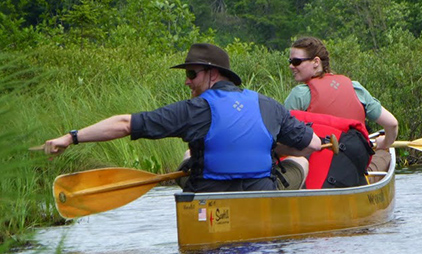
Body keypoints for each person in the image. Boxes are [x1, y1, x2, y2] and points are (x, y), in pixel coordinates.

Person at [44, 43, 322, 193]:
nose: (187, 82)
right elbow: (312, 144)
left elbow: (125, 124)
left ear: (213, 74)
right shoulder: (269, 105)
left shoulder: (194, 111)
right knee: (299, 159)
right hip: (259, 197)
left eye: (192, 74)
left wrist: (72, 137)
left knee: (189, 156)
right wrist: (271, 146)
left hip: (210, 200)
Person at [284, 36, 398, 179]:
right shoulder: (355, 87)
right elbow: (392, 124)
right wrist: (385, 142)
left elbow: (281, 135)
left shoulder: (299, 95)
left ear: (316, 62)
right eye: (290, 62)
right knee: (384, 154)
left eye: (296, 62)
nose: (291, 66)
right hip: (351, 169)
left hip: (316, 174)